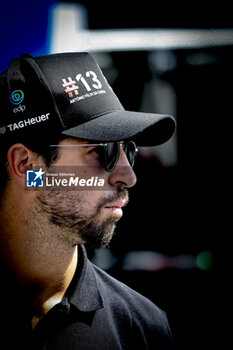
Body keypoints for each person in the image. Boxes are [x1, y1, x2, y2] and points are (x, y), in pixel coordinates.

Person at [0, 52, 176, 349]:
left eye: (127, 150)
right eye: (101, 150)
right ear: (27, 166)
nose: (128, 177)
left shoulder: (141, 328)